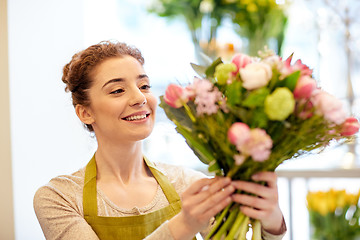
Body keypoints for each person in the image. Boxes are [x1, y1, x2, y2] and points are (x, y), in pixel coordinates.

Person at [34, 40, 286, 240]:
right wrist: (184, 225)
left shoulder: (187, 184)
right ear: (85, 112)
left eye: (144, 86)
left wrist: (272, 219)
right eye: (118, 90)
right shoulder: (59, 197)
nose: (140, 98)